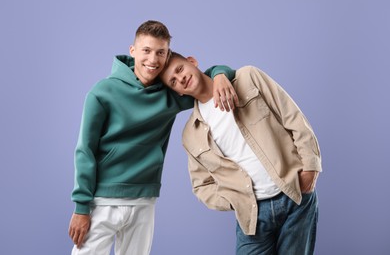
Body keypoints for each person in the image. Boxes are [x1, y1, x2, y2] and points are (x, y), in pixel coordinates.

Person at [68, 20, 238, 255]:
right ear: (133, 51)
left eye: (160, 52)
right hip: (102, 200)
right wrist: (81, 207)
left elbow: (207, 81)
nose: (153, 59)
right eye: (146, 51)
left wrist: (220, 74)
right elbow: (84, 150)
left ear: (167, 54)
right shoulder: (102, 93)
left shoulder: (172, 93)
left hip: (145, 200)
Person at [159, 52, 322, 255]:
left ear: (192, 61)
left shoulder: (248, 77)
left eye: (180, 69)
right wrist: (237, 199)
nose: (180, 78)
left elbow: (293, 118)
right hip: (252, 217)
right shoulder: (191, 134)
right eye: (173, 81)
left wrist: (310, 168)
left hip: (295, 194)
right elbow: (201, 186)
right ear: (177, 92)